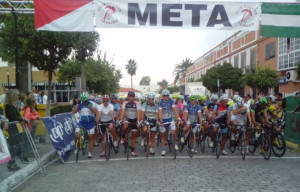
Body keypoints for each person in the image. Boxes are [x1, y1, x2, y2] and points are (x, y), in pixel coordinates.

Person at [5, 89, 30, 170]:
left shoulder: (14, 104)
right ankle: (11, 163)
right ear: (13, 96)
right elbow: (13, 117)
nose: (18, 96)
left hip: (16, 126)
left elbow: (17, 116)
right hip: (13, 127)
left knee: (16, 145)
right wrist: (23, 118)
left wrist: (21, 118)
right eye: (17, 95)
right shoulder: (9, 106)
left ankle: (13, 162)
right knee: (13, 146)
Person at [73, 92, 98, 158]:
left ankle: (90, 152)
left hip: (90, 123)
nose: (84, 102)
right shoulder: (80, 104)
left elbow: (96, 112)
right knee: (76, 135)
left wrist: (91, 107)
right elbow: (74, 112)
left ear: (87, 99)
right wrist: (78, 105)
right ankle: (77, 147)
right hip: (82, 122)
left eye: (85, 101)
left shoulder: (92, 104)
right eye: (83, 101)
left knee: (91, 137)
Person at [158, 89, 179, 156]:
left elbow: (175, 110)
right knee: (163, 135)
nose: (166, 97)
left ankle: (175, 143)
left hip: (170, 119)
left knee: (174, 131)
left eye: (167, 95)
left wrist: (178, 118)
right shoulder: (160, 102)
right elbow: (160, 112)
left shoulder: (172, 101)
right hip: (163, 120)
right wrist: (161, 120)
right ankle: (163, 149)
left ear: (168, 95)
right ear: (162, 96)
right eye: (164, 95)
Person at [120, 91, 141, 157]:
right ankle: (122, 137)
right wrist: (121, 119)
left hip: (134, 119)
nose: (131, 98)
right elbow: (123, 112)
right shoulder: (125, 103)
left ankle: (132, 151)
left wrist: (138, 121)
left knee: (134, 136)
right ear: (128, 97)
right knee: (125, 126)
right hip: (128, 118)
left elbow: (138, 113)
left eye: (132, 96)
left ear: (134, 97)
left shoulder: (137, 103)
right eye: (130, 96)